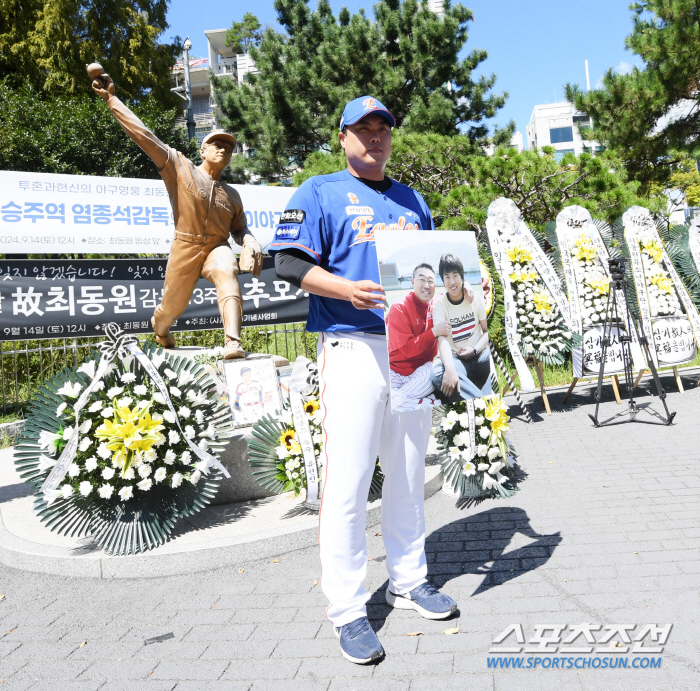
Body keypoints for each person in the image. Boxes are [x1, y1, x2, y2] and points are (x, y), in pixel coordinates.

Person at [270, 96, 458, 666]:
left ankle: (408, 580)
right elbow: (288, 264)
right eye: (364, 128)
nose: (375, 137)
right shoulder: (319, 191)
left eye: (383, 129)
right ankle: (348, 608)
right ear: (344, 135)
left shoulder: (412, 200)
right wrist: (345, 290)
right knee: (349, 482)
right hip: (351, 346)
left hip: (411, 351)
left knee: (406, 471)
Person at [89, 67, 263, 359]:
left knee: (227, 269)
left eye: (228, 148)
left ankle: (233, 342)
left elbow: (240, 229)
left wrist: (250, 241)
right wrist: (112, 101)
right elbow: (145, 137)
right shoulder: (180, 167)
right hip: (186, 245)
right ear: (202, 150)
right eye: (216, 144)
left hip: (216, 247)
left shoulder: (232, 195)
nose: (222, 149)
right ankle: (160, 329)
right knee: (172, 307)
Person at [386, 263, 450, 411]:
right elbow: (406, 350)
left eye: (431, 281)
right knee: (381, 393)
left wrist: (466, 286)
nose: (426, 285)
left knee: (432, 373)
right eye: (422, 280)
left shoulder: (436, 304)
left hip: (421, 370)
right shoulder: (399, 307)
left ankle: (399, 402)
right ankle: (422, 402)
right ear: (413, 282)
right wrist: (434, 331)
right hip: (395, 370)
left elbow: (452, 292)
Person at [431, 254, 491, 402]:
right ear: (442, 280)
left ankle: (479, 401)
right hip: (457, 359)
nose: (452, 282)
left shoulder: (475, 298)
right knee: (437, 372)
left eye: (455, 275)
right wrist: (450, 369)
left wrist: (475, 350)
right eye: (447, 277)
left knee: (492, 357)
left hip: (479, 353)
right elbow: (442, 340)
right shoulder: (439, 305)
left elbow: (486, 332)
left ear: (462, 277)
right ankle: (482, 402)